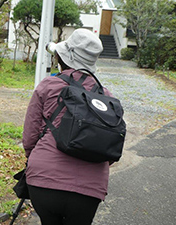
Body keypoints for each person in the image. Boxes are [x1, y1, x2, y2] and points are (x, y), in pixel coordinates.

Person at [22, 28, 113, 225]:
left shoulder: (48, 86)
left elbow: (29, 138)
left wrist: (35, 159)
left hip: (43, 182)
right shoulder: (106, 97)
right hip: (89, 190)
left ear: (62, 58)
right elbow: (110, 147)